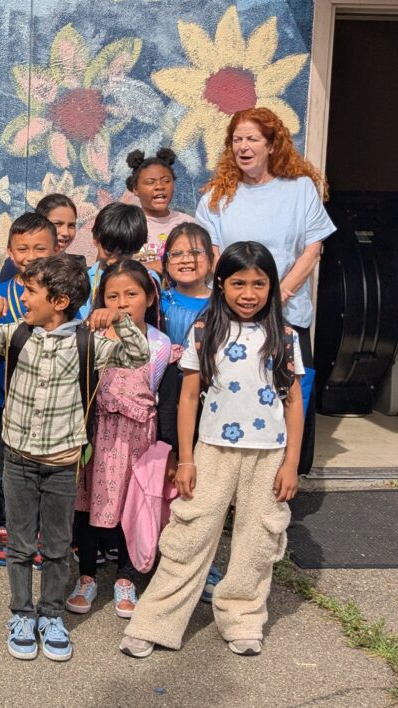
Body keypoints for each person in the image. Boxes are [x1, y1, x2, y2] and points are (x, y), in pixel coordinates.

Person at [0, 254, 150, 661]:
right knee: (21, 543)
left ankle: (51, 614)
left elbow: (137, 355)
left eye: (30, 291)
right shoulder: (15, 334)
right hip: (18, 461)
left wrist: (117, 318)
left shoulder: (89, 342)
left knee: (59, 546)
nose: (22, 298)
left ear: (59, 300)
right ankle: (22, 614)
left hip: (63, 464)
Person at [120, 241, 304, 659]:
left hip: (268, 455)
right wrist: (185, 458)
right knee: (190, 533)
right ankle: (155, 621)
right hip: (212, 452)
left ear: (272, 287)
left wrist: (291, 463)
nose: (249, 293)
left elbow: (294, 403)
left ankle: (242, 617)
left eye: (259, 284)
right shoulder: (205, 332)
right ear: (221, 284)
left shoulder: (285, 336)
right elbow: (187, 399)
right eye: (238, 283)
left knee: (258, 540)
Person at [195, 107, 335, 475]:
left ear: (272, 144)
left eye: (253, 139)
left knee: (287, 396)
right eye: (237, 139)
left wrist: (280, 293)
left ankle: (282, 478)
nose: (243, 147)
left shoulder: (299, 189)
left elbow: (313, 249)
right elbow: (211, 255)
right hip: (230, 315)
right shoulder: (216, 195)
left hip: (286, 313)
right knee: (234, 395)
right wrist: (235, 293)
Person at [67, 260, 171, 619]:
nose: (122, 302)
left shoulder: (159, 345)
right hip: (97, 437)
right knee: (88, 509)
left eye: (131, 294)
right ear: (101, 301)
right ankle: (87, 575)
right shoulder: (91, 337)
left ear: (150, 298)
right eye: (112, 296)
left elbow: (155, 390)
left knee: (133, 507)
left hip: (138, 440)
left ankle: (125, 578)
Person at [0, 212, 59, 566]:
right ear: (11, 254)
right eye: (23, 248)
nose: (31, 255)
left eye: (40, 248)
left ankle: (40, 530)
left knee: (43, 468)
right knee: (3, 467)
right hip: (7, 399)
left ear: (56, 250)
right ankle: (4, 526)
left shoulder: (63, 296)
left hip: (51, 404)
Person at [157, 222, 223, 605]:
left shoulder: (223, 303)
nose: (186, 260)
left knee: (203, 484)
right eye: (177, 253)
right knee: (165, 475)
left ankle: (204, 563)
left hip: (208, 404)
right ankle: (162, 552)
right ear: (165, 261)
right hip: (164, 397)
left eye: (196, 252)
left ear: (212, 259)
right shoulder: (159, 300)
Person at [126, 148, 192, 274]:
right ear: (135, 189)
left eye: (166, 181)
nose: (160, 187)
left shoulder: (188, 223)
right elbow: (110, 265)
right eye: (150, 182)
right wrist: (148, 266)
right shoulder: (127, 224)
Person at [77, 203, 148, 320]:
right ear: (95, 238)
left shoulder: (146, 280)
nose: (114, 260)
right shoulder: (81, 280)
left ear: (138, 248)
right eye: (108, 251)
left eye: (124, 253)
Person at [0, 193, 82, 282]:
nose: (66, 232)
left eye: (71, 225)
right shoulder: (17, 264)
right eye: (57, 224)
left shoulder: (75, 267)